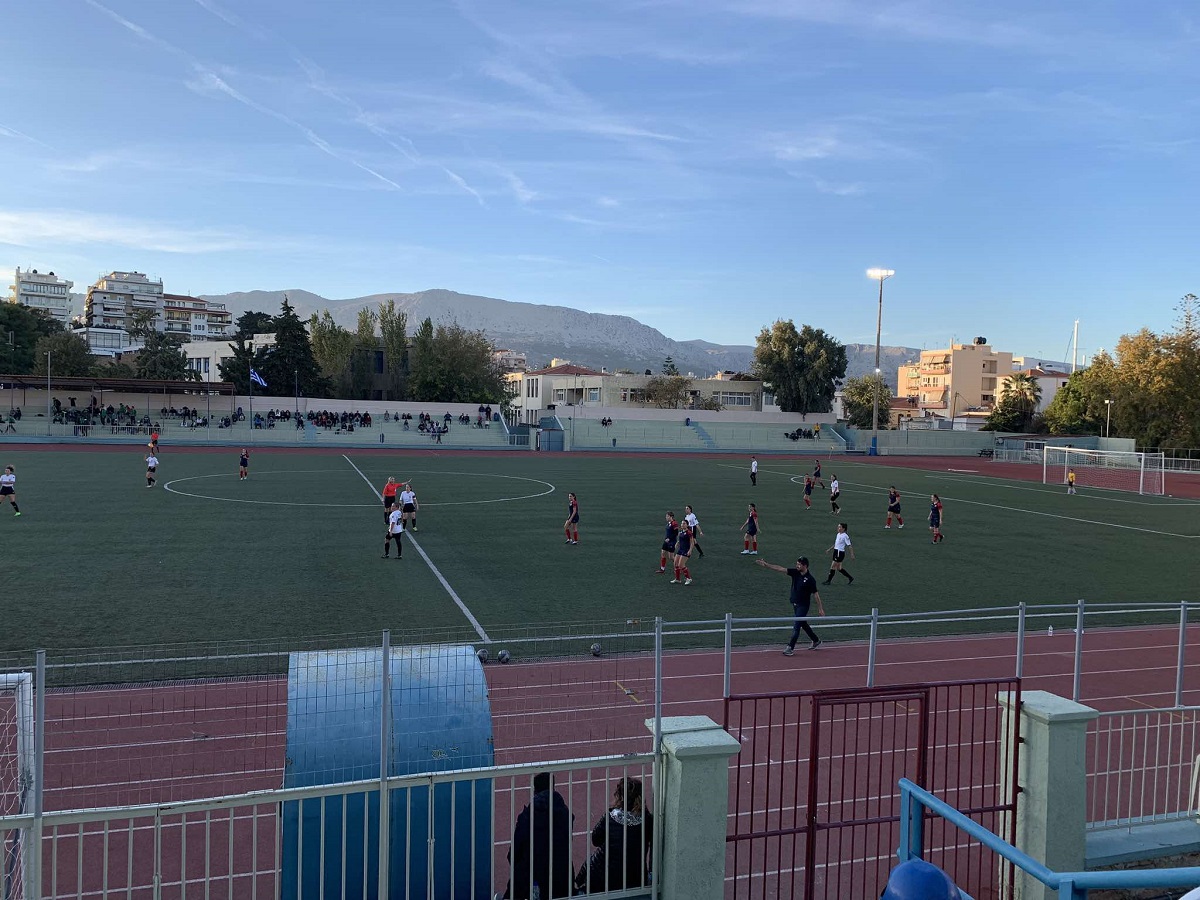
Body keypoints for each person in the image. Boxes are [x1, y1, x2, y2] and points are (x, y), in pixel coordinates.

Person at [501, 772, 574, 900]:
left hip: (532, 878)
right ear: (553, 787)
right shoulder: (565, 814)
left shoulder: (527, 817)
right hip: (562, 878)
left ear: (535, 790)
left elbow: (513, 854)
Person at [574, 777, 653, 894]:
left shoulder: (610, 817)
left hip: (604, 878)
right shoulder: (647, 820)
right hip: (635, 878)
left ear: (619, 796)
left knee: (594, 860)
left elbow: (595, 840)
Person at [756, 555, 825, 653]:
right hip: (795, 604)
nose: (797, 566)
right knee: (803, 623)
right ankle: (816, 640)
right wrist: (767, 565)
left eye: (799, 564)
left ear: (805, 566)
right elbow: (780, 569)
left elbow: (816, 595)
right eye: (797, 564)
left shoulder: (810, 579)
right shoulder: (795, 573)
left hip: (803, 606)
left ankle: (790, 647)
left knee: (797, 625)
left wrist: (820, 609)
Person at [671, 518, 694, 585]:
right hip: (680, 550)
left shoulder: (689, 533)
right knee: (675, 564)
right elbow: (680, 540)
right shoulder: (680, 532)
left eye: (684, 523)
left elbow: (692, 542)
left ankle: (688, 578)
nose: (682, 525)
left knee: (681, 565)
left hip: (686, 550)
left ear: (687, 525)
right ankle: (677, 579)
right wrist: (677, 543)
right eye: (681, 523)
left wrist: (690, 550)